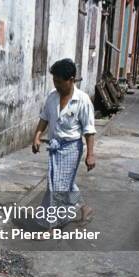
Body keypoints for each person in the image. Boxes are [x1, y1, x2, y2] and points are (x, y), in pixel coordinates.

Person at [32, 58, 96, 229]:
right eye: (55, 81)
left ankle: (51, 225)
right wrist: (37, 136)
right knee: (62, 183)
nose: (57, 85)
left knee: (57, 186)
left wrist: (90, 154)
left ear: (71, 80)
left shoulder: (82, 100)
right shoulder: (52, 97)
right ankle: (83, 208)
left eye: (60, 82)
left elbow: (89, 130)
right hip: (54, 147)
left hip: (71, 148)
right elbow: (44, 118)